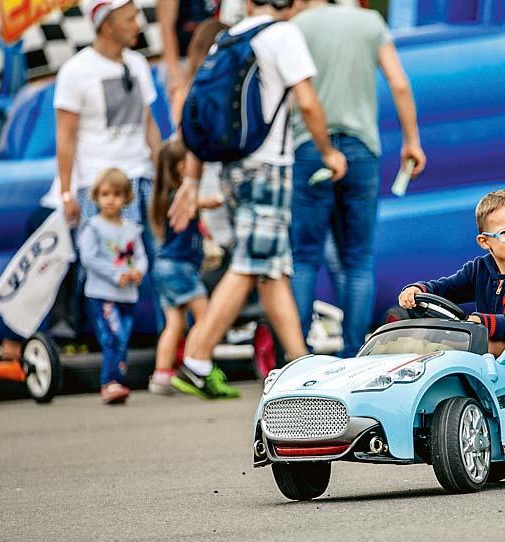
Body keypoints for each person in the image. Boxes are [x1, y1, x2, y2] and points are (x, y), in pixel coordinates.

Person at [167, 0, 347, 399]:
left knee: (272, 269)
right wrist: (328, 151)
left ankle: (300, 365)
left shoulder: (228, 38)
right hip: (268, 168)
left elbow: (201, 113)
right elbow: (307, 100)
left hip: (232, 168)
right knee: (250, 265)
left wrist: (192, 180)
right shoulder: (283, 34)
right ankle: (196, 360)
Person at [290, 0, 426, 358]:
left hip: (310, 146)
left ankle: (296, 354)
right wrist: (411, 140)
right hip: (361, 148)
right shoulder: (370, 23)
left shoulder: (297, 26)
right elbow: (399, 83)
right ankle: (354, 353)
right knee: (359, 258)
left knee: (304, 258)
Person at [44, 0, 162, 329]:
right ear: (107, 24)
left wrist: (163, 175)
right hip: (100, 186)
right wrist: (66, 192)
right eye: (129, 18)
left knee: (160, 262)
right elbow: (65, 137)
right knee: (105, 270)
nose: (138, 24)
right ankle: (106, 345)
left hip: (142, 179)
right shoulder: (76, 71)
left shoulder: (138, 63)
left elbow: (149, 125)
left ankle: (169, 341)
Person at [398, 190, 505, 357]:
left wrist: (484, 322)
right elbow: (445, 289)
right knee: (442, 344)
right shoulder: (479, 269)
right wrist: (418, 290)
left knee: (474, 346)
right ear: (484, 241)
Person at [148, 139, 223, 394]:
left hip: (164, 267)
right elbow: (204, 202)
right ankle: (194, 366)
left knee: (174, 324)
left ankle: (161, 376)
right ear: (183, 167)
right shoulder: (180, 197)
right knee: (206, 317)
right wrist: (219, 198)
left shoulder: (163, 197)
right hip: (179, 267)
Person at [78, 169, 148, 404]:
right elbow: (88, 258)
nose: (111, 199)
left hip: (127, 295)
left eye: (117, 194)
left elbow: (141, 257)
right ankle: (109, 382)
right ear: (96, 196)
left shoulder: (131, 228)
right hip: (103, 294)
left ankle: (118, 380)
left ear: (126, 197)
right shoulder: (94, 226)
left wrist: (138, 271)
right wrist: (116, 274)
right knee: (112, 337)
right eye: (105, 194)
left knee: (123, 338)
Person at [156, 0, 221, 106]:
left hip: (209, 59)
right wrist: (175, 74)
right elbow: (166, 28)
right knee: (182, 108)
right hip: (182, 61)